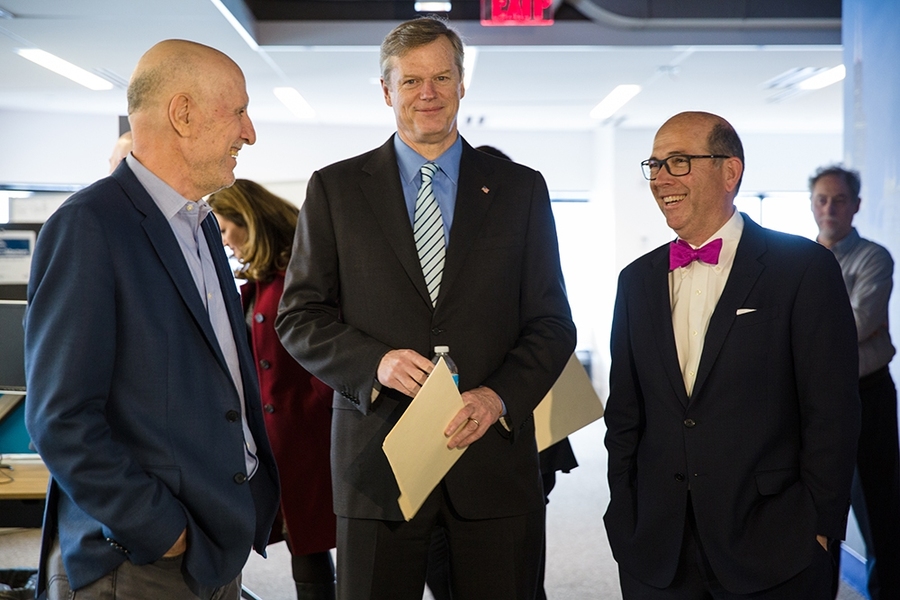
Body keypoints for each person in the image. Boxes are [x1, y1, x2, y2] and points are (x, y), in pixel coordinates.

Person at [276, 16, 576, 600]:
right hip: (378, 460)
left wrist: (497, 396)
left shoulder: (521, 189)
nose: (428, 93)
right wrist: (376, 364)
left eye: (441, 77)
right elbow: (299, 316)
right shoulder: (335, 190)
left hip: (492, 458)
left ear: (463, 85)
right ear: (386, 91)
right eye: (411, 81)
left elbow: (551, 322)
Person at [23, 40, 280, 600]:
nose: (249, 131)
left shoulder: (202, 224)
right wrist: (161, 530)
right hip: (139, 560)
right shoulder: (90, 226)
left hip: (212, 544)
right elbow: (60, 417)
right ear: (182, 113)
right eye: (237, 111)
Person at [604, 111, 861, 599]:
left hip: (775, 544)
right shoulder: (635, 281)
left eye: (678, 162)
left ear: (730, 171)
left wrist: (820, 528)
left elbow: (833, 413)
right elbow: (624, 415)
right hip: (657, 551)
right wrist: (625, 515)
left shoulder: (803, 269)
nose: (661, 179)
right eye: (654, 165)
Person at [423, 144, 579, 600]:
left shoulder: (520, 216)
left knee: (518, 569)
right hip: (441, 428)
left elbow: (550, 323)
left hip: (519, 420)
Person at [208, 179, 337, 600]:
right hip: (280, 441)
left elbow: (323, 356)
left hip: (311, 435)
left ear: (251, 221)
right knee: (306, 543)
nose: (226, 243)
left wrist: (317, 408)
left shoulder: (295, 279)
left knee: (317, 541)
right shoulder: (260, 283)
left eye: (227, 230)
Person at [810, 165, 900, 600]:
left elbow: (861, 321)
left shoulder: (874, 257)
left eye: (839, 199)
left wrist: (804, 328)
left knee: (879, 509)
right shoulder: (800, 262)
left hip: (868, 396)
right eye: (822, 199)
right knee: (819, 507)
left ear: (856, 206)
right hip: (816, 401)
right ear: (812, 204)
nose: (830, 208)